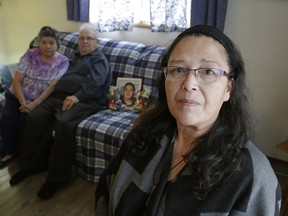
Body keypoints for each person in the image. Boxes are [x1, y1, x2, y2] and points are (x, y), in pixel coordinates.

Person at [95, 25, 281, 215]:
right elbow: (105, 194)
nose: (189, 84)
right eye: (178, 70)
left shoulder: (252, 175)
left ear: (229, 88)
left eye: (208, 72)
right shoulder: (144, 134)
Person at [9, 23, 111, 199]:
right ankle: (33, 164)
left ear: (97, 41)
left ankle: (56, 178)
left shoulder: (99, 59)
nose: (85, 41)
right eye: (82, 38)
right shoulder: (72, 57)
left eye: (89, 38)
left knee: (63, 123)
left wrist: (77, 96)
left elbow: (96, 82)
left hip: (84, 101)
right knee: (34, 117)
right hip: (59, 97)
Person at [0, 26, 69, 169]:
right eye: (43, 42)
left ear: (57, 44)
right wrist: (23, 102)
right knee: (7, 116)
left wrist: (34, 104)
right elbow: (17, 80)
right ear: (38, 42)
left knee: (27, 120)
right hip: (17, 95)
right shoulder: (30, 54)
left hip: (39, 99)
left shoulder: (63, 61)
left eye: (51, 42)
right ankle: (9, 151)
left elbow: (53, 86)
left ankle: (22, 152)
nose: (47, 46)